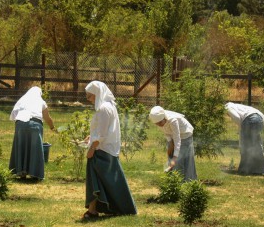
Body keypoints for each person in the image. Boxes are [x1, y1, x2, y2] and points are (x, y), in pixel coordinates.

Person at [82, 81, 137, 219]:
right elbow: (104, 129)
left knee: (96, 180)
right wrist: (91, 136)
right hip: (107, 147)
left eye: (90, 96)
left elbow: (102, 134)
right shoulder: (109, 106)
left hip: (102, 149)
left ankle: (94, 210)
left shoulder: (103, 109)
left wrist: (92, 148)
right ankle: (94, 209)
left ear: (97, 94)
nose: (89, 100)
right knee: (106, 181)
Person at [9, 86, 56, 181]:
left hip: (20, 125)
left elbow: (14, 114)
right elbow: (47, 118)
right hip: (35, 125)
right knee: (35, 149)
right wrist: (52, 127)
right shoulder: (41, 102)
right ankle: (35, 174)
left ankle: (21, 172)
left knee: (21, 147)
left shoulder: (22, 100)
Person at [149, 106, 197, 181]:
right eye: (157, 124)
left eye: (160, 123)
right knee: (171, 158)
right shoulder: (159, 120)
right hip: (173, 136)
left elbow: (177, 139)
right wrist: (171, 143)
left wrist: (175, 158)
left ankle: (186, 183)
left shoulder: (173, 120)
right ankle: (172, 182)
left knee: (179, 161)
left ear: (164, 118)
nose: (159, 125)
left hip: (185, 135)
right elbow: (166, 132)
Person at [225, 102, 264, 175]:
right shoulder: (241, 107)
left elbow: (237, 118)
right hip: (261, 120)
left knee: (246, 146)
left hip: (249, 120)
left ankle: (245, 170)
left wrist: (242, 134)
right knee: (256, 145)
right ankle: (261, 170)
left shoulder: (228, 107)